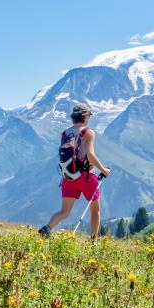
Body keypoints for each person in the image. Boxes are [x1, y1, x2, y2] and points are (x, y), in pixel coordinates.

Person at [38, 102, 110, 240]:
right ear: (86, 116)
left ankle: (47, 229)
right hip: (86, 177)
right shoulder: (88, 132)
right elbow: (90, 155)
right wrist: (103, 169)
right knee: (95, 210)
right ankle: (92, 243)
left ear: (73, 117)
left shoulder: (64, 133)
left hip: (68, 177)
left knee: (64, 211)